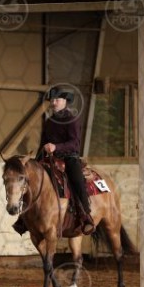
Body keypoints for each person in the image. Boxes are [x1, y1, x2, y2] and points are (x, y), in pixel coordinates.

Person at [37, 86, 95, 235]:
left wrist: (56, 147)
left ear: (65, 101)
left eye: (57, 99)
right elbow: (42, 143)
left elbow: (75, 143)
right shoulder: (49, 122)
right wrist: (37, 159)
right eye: (52, 100)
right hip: (50, 159)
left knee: (76, 180)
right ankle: (25, 217)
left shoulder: (72, 119)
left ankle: (85, 215)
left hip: (69, 158)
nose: (53, 102)